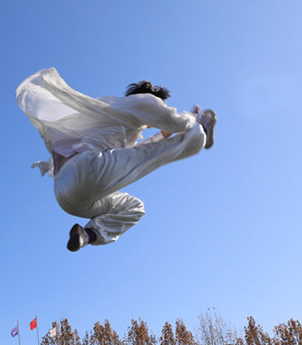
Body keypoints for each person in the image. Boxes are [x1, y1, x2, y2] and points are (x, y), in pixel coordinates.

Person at [16, 68, 217, 250]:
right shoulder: (143, 101)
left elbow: (137, 153)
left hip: (65, 195)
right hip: (88, 169)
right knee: (166, 148)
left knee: (133, 207)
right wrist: (193, 118)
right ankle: (202, 131)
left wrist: (163, 135)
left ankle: (87, 235)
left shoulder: (116, 119)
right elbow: (175, 122)